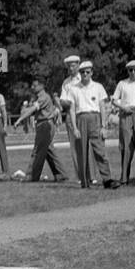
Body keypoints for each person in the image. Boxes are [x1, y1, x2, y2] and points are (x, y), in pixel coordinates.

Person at [60, 59, 119, 189]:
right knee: (81, 152)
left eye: (87, 72)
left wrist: (104, 126)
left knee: (100, 150)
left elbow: (102, 107)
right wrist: (74, 128)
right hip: (80, 117)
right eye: (82, 72)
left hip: (95, 117)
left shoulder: (98, 87)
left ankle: (107, 179)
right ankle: (84, 181)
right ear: (79, 73)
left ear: (92, 72)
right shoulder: (73, 89)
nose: (85, 74)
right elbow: (71, 109)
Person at [12, 79, 68, 183]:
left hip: (45, 125)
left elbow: (31, 110)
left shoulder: (43, 97)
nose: (32, 87)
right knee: (49, 151)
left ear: (41, 86)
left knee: (37, 151)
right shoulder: (39, 97)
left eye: (34, 85)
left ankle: (32, 175)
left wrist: (19, 120)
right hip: (43, 124)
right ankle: (61, 175)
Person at [59, 53, 84, 183]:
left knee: (88, 146)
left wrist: (70, 101)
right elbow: (63, 101)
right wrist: (69, 102)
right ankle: (80, 176)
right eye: (69, 67)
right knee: (75, 148)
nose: (71, 69)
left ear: (78, 65)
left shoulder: (84, 78)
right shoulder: (66, 83)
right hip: (71, 115)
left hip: (83, 113)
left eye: (73, 66)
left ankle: (92, 176)